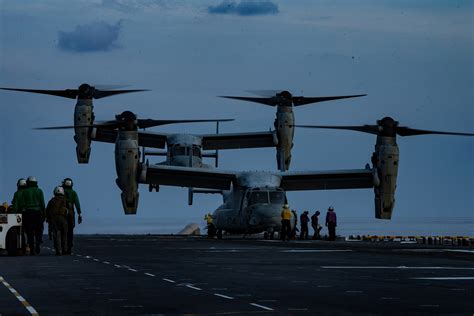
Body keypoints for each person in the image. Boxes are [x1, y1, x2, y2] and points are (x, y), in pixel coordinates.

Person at [18, 176, 45, 255]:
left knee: (29, 232)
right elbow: (42, 204)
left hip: (28, 213)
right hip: (38, 213)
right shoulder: (40, 191)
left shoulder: (25, 191)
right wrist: (44, 214)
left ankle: (32, 249)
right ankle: (38, 242)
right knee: (39, 229)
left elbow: (22, 204)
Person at [46, 186, 69, 255]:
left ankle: (58, 251)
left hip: (54, 219)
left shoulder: (51, 201)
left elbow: (47, 211)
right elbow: (69, 211)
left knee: (56, 235)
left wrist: (48, 219)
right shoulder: (65, 200)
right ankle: (64, 250)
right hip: (63, 219)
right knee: (64, 235)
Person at [62, 178, 82, 255]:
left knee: (62, 231)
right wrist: (79, 214)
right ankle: (69, 247)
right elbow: (77, 204)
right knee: (70, 231)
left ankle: (62, 247)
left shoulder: (60, 191)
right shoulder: (73, 193)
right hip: (70, 214)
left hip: (62, 214)